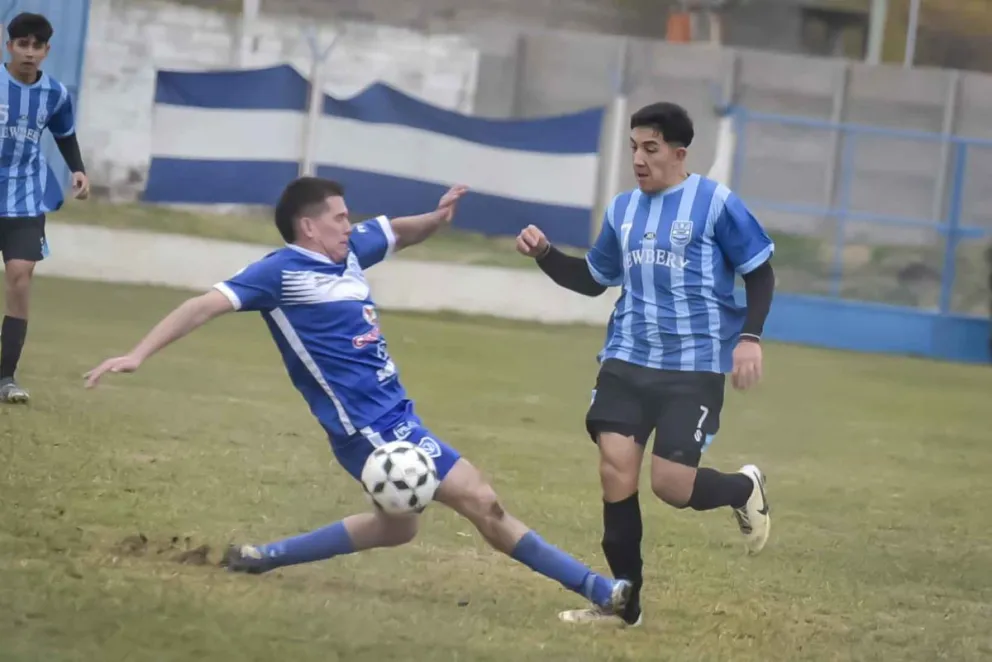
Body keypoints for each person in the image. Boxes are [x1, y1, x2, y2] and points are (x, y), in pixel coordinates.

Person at [83, 176, 632, 620]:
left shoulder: (346, 254)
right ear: (309, 226)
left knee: (398, 526)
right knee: (482, 501)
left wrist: (437, 219)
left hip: (398, 413)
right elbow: (203, 305)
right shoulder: (279, 272)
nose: (350, 224)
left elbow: (397, 231)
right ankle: (599, 589)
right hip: (366, 427)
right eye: (340, 217)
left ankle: (262, 557)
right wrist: (138, 353)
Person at [515, 101, 776, 627]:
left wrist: (749, 338)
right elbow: (595, 279)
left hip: (694, 366)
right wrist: (545, 253)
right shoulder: (621, 210)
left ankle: (743, 489)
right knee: (616, 472)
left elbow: (760, 273)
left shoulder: (715, 203)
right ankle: (622, 605)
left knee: (672, 486)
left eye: (650, 148)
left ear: (678, 154)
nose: (638, 158)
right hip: (627, 359)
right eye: (634, 147)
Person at [0, 12, 90, 404]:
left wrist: (79, 169)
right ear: (10, 47)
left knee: (21, 276)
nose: (29, 53)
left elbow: (64, 133)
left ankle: (5, 376)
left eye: (37, 46)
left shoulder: (55, 93)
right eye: (23, 44)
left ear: (47, 51)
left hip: (23, 195)